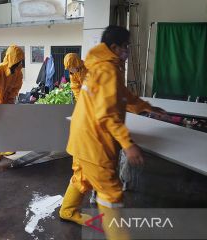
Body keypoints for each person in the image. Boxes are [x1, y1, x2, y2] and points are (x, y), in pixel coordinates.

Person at [59, 26, 166, 238]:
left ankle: (68, 210)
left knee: (82, 176)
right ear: (115, 47)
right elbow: (107, 115)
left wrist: (146, 106)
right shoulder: (107, 70)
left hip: (82, 137)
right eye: (126, 46)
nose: (129, 50)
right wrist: (128, 144)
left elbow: (122, 95)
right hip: (93, 141)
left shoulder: (101, 66)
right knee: (111, 192)